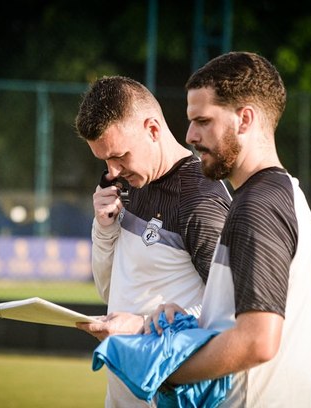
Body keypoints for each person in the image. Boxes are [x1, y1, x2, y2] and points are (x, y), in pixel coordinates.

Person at [146, 51, 311, 407]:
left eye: (203, 121)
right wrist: (198, 324)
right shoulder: (282, 193)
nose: (191, 135)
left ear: (245, 119)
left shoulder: (259, 205)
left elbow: (258, 341)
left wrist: (165, 371)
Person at [73, 75, 232, 407]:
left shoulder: (201, 201)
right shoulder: (129, 185)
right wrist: (103, 230)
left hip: (170, 397)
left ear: (153, 129)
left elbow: (230, 312)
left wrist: (143, 325)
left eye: (120, 156)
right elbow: (110, 291)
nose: (112, 170)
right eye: (104, 160)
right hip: (120, 394)